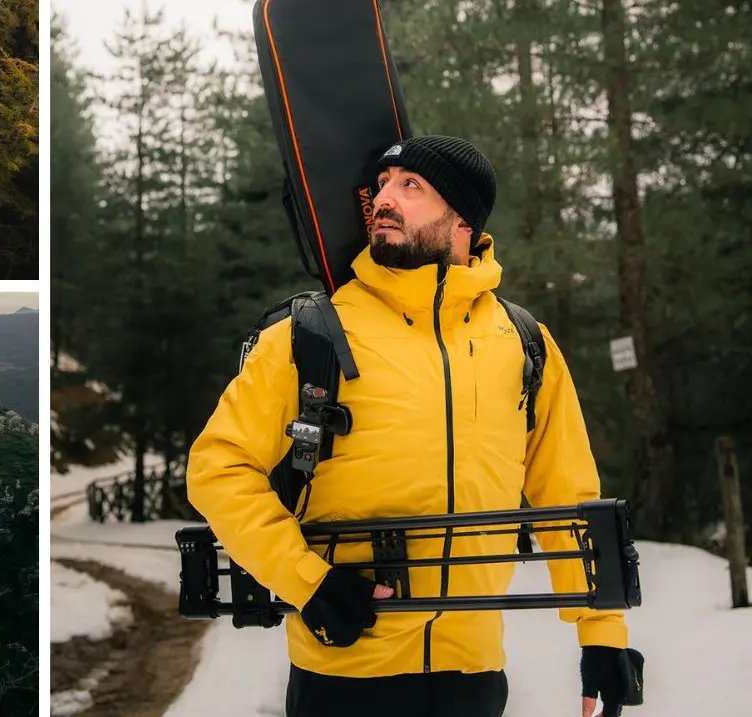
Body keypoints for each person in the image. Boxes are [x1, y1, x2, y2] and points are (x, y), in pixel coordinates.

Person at [187, 136, 644, 717]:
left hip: (473, 677)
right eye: (380, 186)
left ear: (463, 221)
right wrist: (310, 583)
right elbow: (217, 470)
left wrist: (602, 634)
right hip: (345, 671)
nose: (384, 199)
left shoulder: (524, 342)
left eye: (411, 186)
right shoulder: (310, 334)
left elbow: (568, 497)